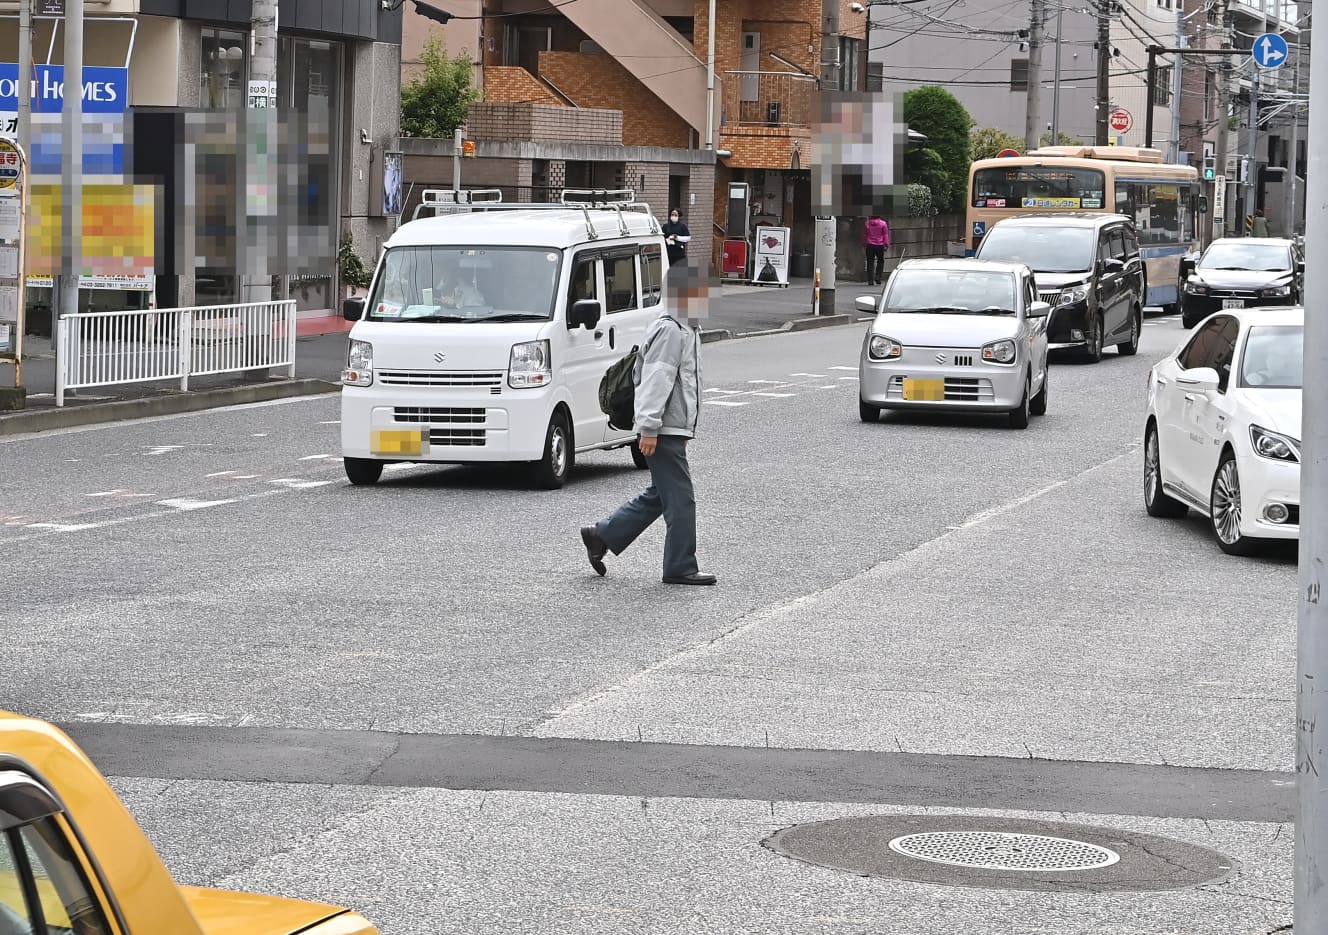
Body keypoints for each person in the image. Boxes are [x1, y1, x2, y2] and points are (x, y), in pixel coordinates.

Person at [580, 259, 715, 586]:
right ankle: (680, 566)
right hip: (662, 428)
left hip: (669, 428)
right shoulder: (670, 330)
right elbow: (657, 380)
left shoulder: (684, 328)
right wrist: (651, 427)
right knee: (680, 498)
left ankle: (601, 535)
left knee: (661, 495)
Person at [864, 214, 890, 286]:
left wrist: (864, 243)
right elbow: (885, 234)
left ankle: (870, 280)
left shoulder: (867, 223)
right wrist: (886, 244)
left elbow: (865, 234)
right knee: (880, 261)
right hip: (880, 245)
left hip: (869, 244)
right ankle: (878, 277)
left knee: (870, 262)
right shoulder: (883, 223)